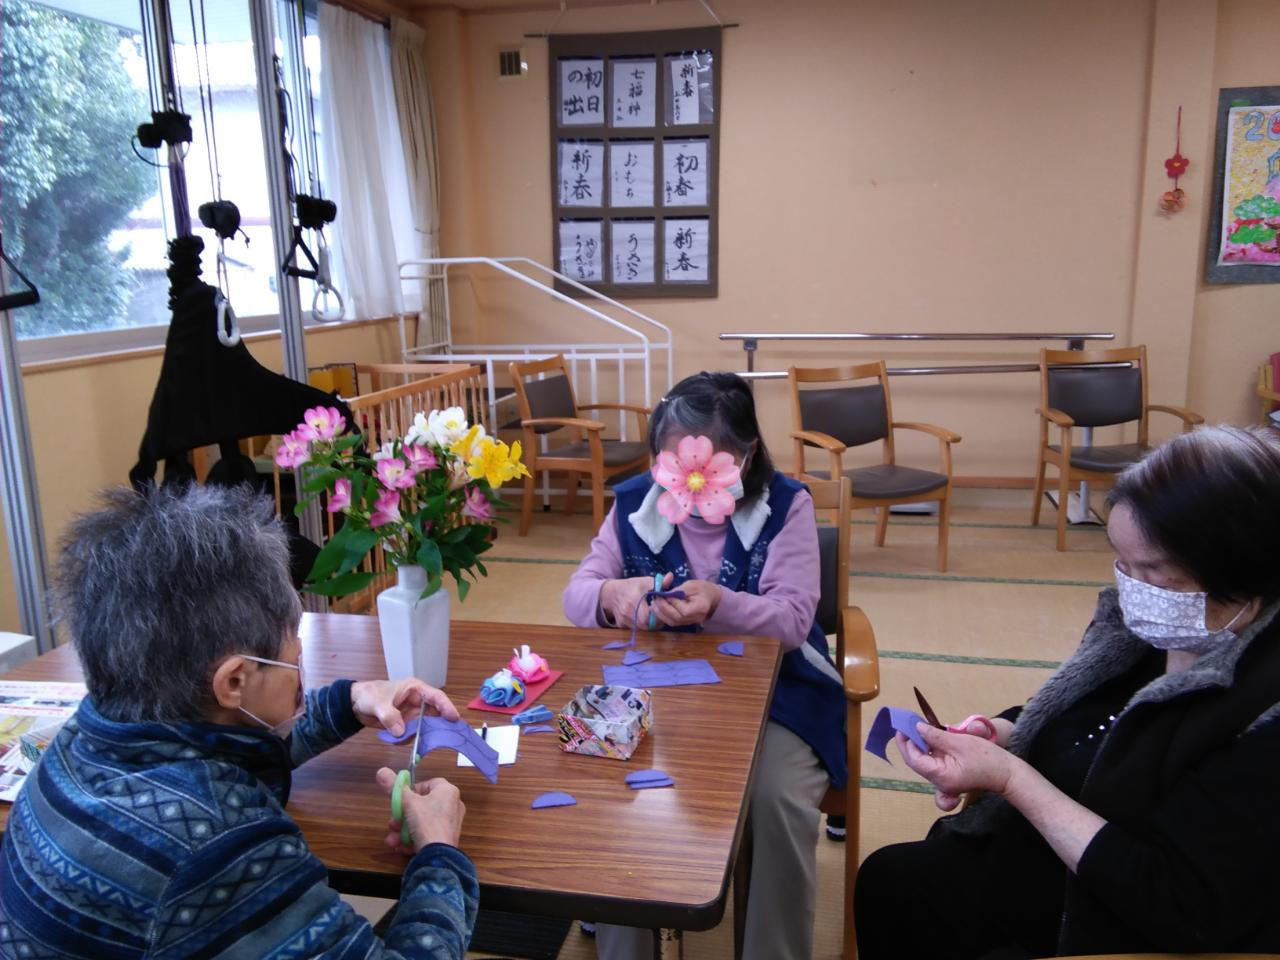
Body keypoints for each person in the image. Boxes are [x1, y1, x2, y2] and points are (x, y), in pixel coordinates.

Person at [855, 424, 1280, 959]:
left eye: (1154, 570)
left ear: (1240, 567)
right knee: (891, 880)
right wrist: (1000, 733)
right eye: (1122, 561)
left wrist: (1010, 778)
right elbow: (1086, 720)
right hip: (1044, 854)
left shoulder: (1263, 712)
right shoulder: (1154, 631)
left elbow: (1177, 904)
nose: (1133, 588)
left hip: (1108, 921)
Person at [0, 485, 477, 959]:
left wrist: (346, 703)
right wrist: (439, 852)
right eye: (293, 651)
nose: (299, 666)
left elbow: (221, 743)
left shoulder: (77, 742)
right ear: (234, 681)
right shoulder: (216, 848)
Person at [563, 371, 846, 960]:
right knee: (612, 786)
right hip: (658, 692)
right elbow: (577, 595)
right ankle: (622, 934)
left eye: (706, 460)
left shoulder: (785, 505)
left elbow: (794, 620)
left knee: (773, 798)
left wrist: (720, 602)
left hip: (777, 695)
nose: (687, 476)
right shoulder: (635, 503)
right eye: (671, 460)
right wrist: (612, 596)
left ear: (746, 454)